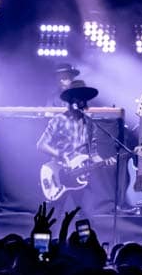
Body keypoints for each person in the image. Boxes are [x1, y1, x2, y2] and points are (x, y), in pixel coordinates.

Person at [36, 79, 110, 216]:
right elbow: (41, 145)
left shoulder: (89, 123)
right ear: (71, 100)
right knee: (52, 217)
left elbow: (93, 153)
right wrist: (60, 154)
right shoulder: (59, 120)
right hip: (59, 174)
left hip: (80, 177)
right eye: (78, 97)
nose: (81, 101)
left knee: (87, 217)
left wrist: (104, 162)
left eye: (83, 98)